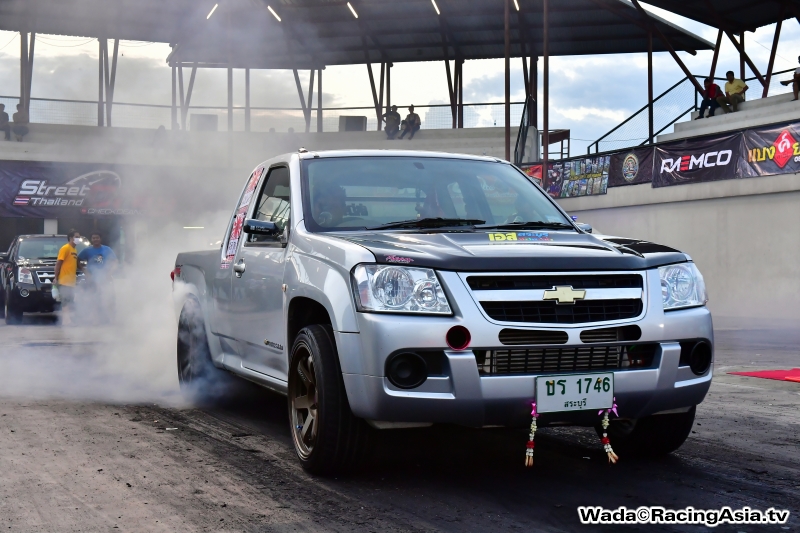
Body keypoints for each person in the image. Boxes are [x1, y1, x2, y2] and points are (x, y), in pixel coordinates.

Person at [78, 231, 118, 324]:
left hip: (105, 279)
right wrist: (85, 271)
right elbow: (78, 260)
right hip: (92, 280)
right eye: (94, 238)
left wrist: (110, 273)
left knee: (109, 299)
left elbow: (115, 261)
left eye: (97, 238)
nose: (95, 239)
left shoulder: (107, 249)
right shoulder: (87, 250)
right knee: (93, 299)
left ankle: (111, 319)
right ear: (91, 239)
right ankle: (95, 319)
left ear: (100, 239)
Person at [54, 230, 81, 325]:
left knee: (69, 301)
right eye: (76, 237)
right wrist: (56, 277)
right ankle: (66, 321)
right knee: (65, 301)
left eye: (79, 237)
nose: (78, 239)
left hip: (71, 281)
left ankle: (67, 320)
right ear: (71, 238)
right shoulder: (65, 248)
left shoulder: (75, 250)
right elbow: (58, 263)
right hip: (64, 280)